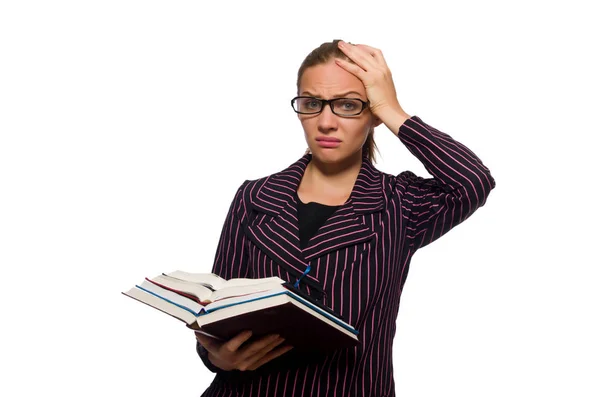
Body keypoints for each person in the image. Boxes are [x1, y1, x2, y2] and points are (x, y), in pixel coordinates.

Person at [194, 39, 496, 397]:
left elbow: (472, 181)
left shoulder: (400, 203)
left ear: (372, 114)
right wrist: (217, 358)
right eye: (311, 104)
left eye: (348, 105)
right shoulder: (253, 197)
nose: (325, 122)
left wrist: (392, 108)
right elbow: (217, 312)